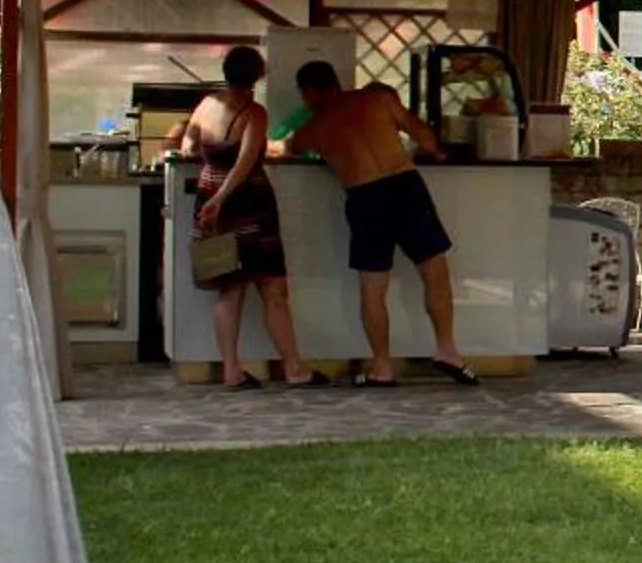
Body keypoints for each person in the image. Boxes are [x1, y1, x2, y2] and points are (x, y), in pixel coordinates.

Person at [287, 60, 477, 386]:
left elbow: (290, 147)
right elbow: (418, 130)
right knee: (435, 272)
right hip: (405, 185)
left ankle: (382, 366)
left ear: (308, 93)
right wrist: (437, 153)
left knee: (373, 288)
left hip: (365, 198)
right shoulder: (377, 99)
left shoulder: (315, 128)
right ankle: (447, 349)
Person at [177, 45, 320, 390]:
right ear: (257, 75)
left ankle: (231, 371)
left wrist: (212, 197)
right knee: (273, 287)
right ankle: (294, 369)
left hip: (208, 195)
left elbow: (187, 147)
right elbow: (246, 161)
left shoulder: (206, 105)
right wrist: (224, 197)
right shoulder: (253, 112)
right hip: (249, 202)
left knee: (229, 288)